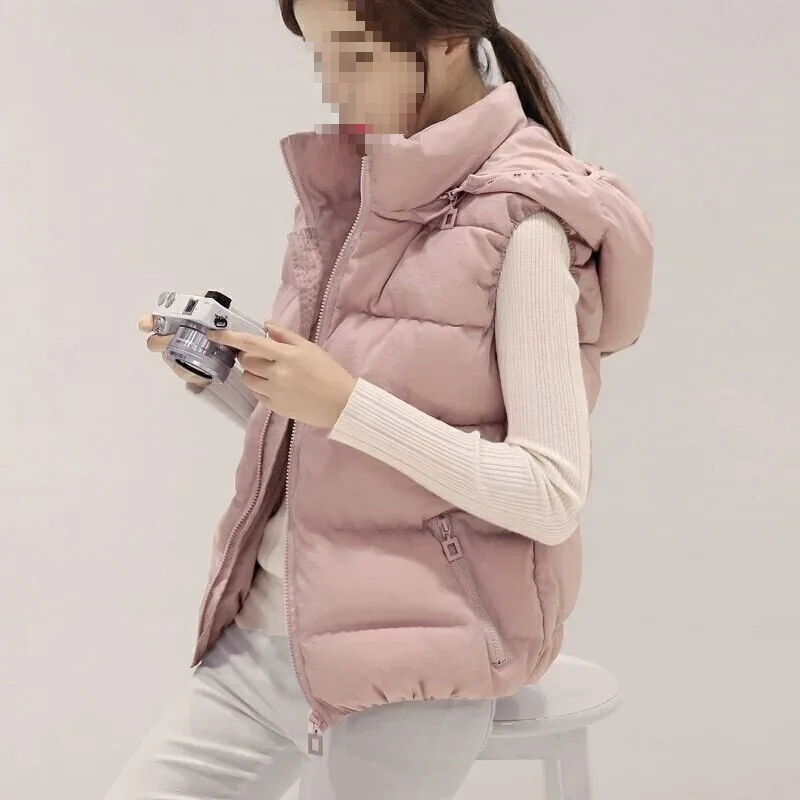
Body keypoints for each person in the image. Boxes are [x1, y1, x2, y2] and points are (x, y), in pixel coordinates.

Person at [113, 0, 653, 797]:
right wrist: (227, 375)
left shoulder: (527, 224)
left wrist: (345, 403)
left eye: (356, 58)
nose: (334, 88)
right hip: (264, 634)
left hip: (412, 665)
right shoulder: (352, 190)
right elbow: (334, 443)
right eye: (322, 58)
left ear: (446, 40)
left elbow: (549, 495)